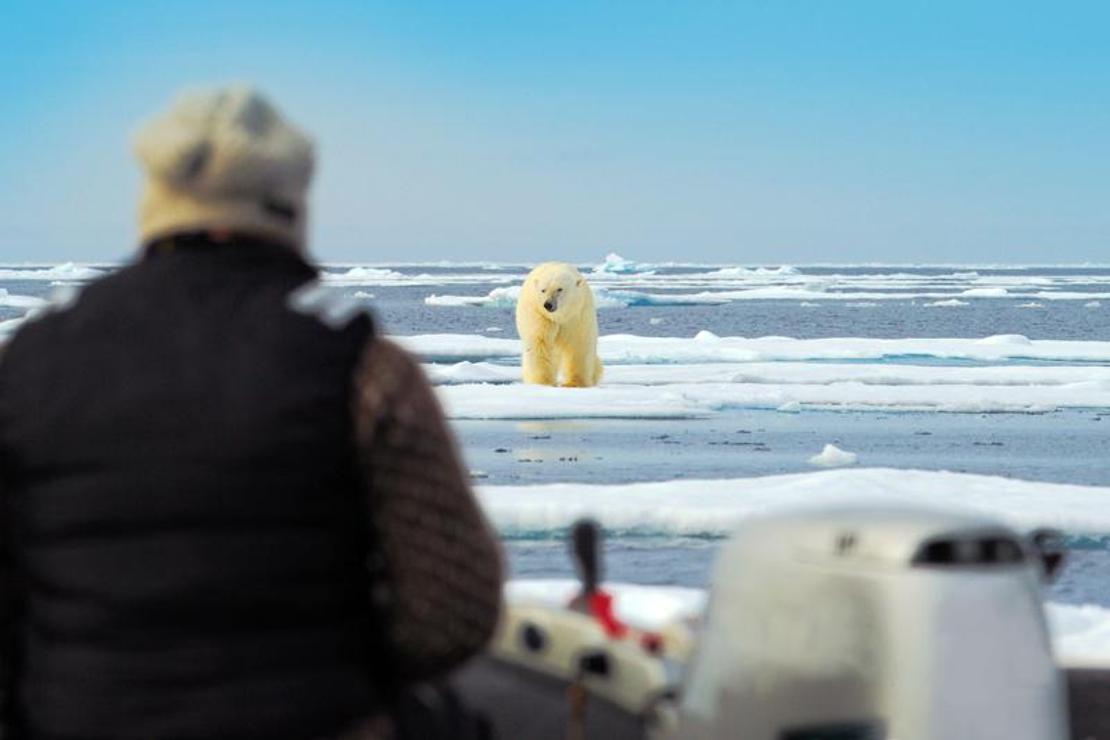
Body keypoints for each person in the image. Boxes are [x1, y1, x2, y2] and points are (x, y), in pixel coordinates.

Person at [0, 86, 503, 739]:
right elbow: (452, 613)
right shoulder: (362, 366)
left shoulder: (28, 363)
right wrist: (344, 666)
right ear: (286, 203)